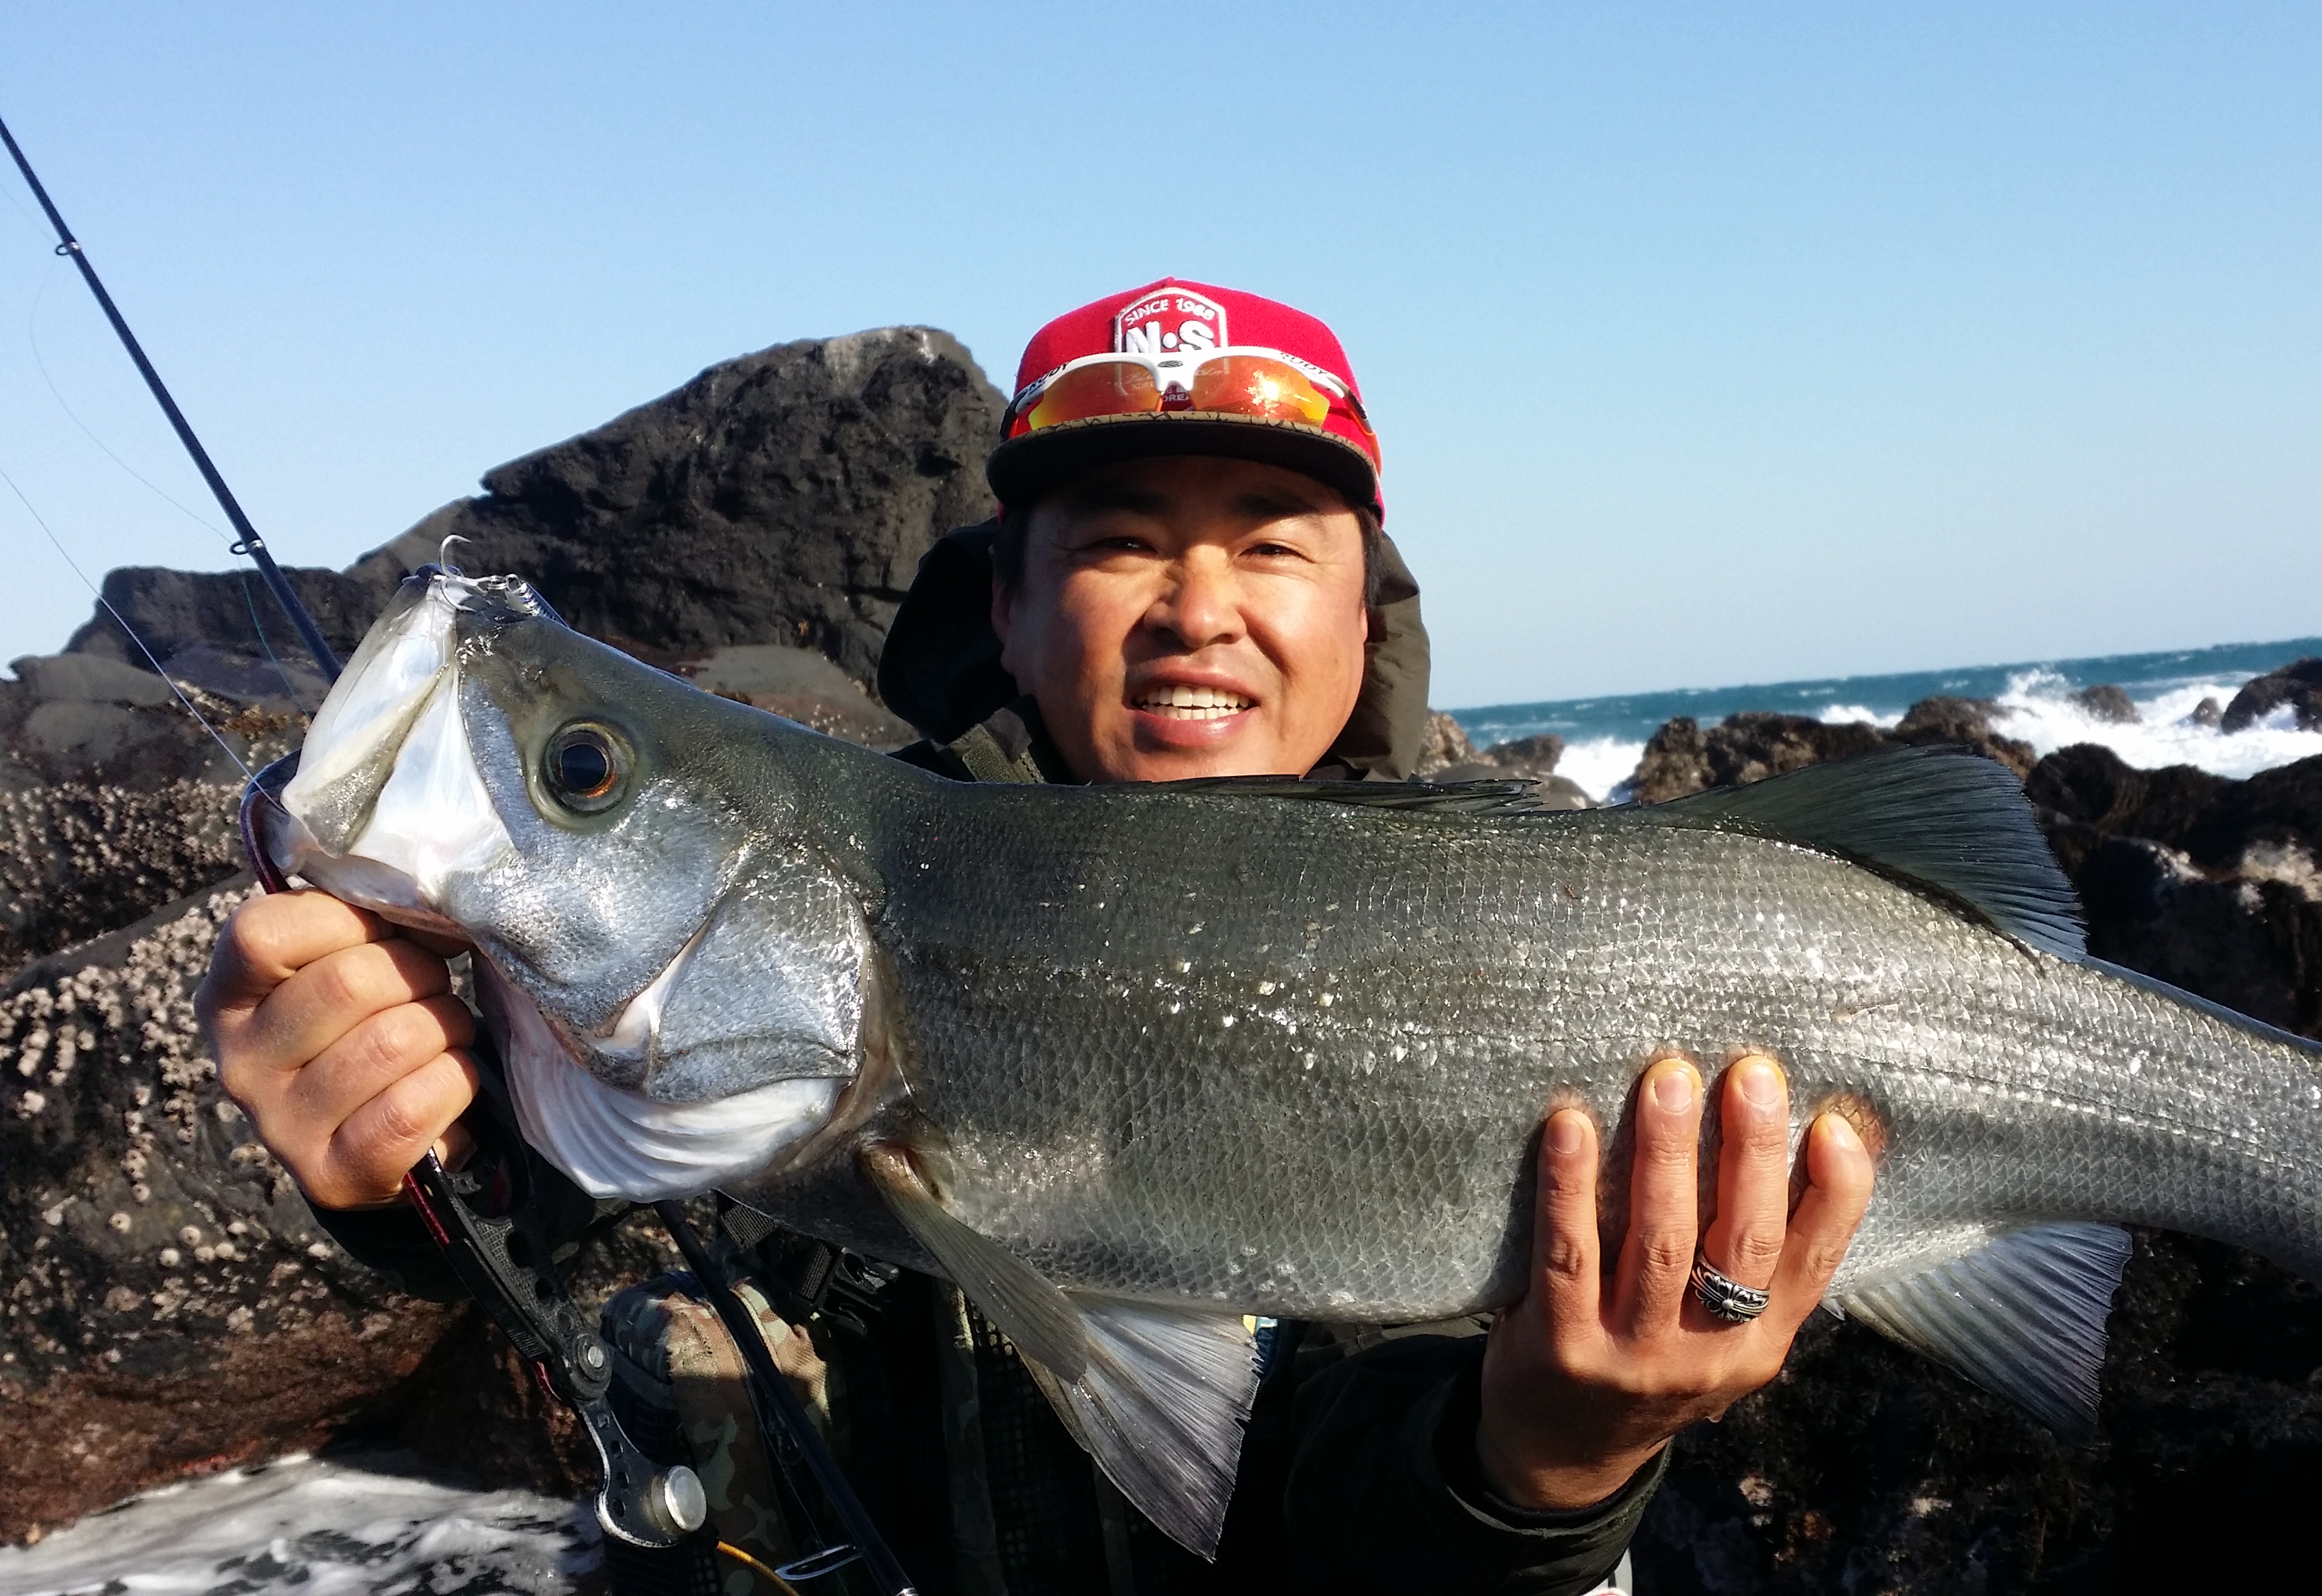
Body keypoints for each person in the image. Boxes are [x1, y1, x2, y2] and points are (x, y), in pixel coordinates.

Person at [199, 279, 1879, 1595]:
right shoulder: (846, 875)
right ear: (1003, 602)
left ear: (1366, 613)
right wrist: (408, 1156)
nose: (1198, 606)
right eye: (1123, 540)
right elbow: (561, 1217)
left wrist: (1551, 1467)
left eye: (1271, 543)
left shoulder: (1547, 904)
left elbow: (1367, 1500)